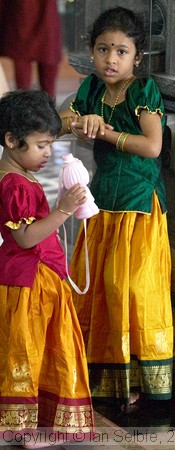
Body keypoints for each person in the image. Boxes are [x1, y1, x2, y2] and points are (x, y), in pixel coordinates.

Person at [59, 6, 173, 411]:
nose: (111, 59)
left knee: (133, 292)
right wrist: (76, 122)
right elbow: (60, 122)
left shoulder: (144, 92)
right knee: (99, 290)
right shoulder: (91, 88)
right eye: (103, 49)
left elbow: (153, 147)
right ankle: (101, 377)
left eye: (121, 51)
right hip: (102, 204)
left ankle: (141, 380)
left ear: (136, 58)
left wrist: (106, 132)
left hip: (138, 206)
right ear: (91, 53)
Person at [0, 89, 95, 447]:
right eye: (41, 146)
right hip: (32, 279)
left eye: (50, 145)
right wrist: (65, 210)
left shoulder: (13, 175)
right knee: (40, 348)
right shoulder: (15, 185)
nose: (47, 154)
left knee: (24, 349)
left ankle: (23, 423)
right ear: (11, 140)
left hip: (23, 278)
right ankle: (37, 428)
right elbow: (25, 238)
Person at [0, 0, 62, 98]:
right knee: (39, 62)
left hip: (31, 17)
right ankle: (45, 107)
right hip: (26, 16)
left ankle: (29, 106)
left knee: (43, 60)